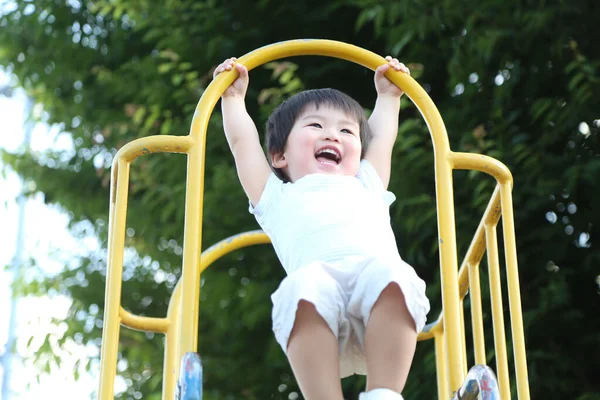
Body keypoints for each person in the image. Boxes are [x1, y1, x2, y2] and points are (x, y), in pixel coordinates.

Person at [212, 55, 430, 400]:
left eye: (347, 130)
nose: (333, 134)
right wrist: (233, 99)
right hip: (319, 318)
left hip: (378, 316)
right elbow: (243, 146)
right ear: (279, 156)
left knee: (392, 273)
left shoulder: (367, 183)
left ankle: (384, 393)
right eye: (315, 126)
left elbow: (382, 138)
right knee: (301, 285)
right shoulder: (277, 196)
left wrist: (388, 98)